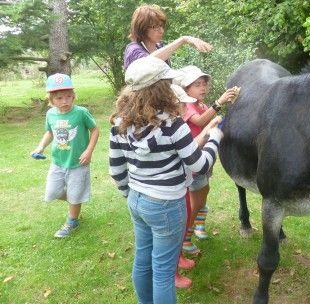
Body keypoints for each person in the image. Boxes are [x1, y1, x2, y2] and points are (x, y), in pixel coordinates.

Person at [109, 56, 223, 304]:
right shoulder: (173, 125)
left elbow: (116, 169)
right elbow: (200, 165)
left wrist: (131, 195)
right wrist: (214, 138)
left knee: (142, 260)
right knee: (162, 271)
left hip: (137, 201)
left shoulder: (119, 122)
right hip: (167, 206)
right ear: (162, 87)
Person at [176, 65, 238, 255]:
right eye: (197, 85)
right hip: (193, 164)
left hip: (204, 160)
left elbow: (211, 118)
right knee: (196, 201)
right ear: (186, 89)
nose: (202, 88)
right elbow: (201, 121)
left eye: (204, 84)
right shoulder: (187, 106)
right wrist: (219, 102)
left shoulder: (202, 105)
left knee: (204, 193)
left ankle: (198, 227)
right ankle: (185, 238)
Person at [31, 73, 100, 238]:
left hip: (78, 162)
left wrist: (89, 150)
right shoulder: (51, 114)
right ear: (51, 99)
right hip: (58, 162)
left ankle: (72, 221)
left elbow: (95, 130)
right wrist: (41, 147)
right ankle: (76, 200)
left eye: (69, 97)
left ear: (74, 96)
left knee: (75, 195)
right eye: (60, 98)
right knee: (52, 193)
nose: (65, 101)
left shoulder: (81, 112)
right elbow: (50, 132)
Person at [123, 4, 213, 70]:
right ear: (142, 27)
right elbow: (148, 64)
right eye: (155, 27)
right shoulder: (134, 49)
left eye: (161, 26)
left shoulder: (159, 47)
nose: (161, 31)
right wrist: (183, 40)